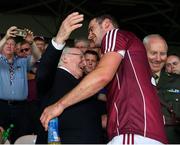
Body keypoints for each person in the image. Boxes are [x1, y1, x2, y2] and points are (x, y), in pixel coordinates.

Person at [39, 12, 167, 144]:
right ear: (64, 58)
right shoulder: (130, 66)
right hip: (142, 131)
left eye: (91, 29)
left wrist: (59, 105)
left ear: (106, 24)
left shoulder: (115, 34)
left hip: (132, 130)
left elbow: (102, 75)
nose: (89, 36)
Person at [36, 13, 103, 143]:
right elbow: (44, 71)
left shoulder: (84, 82)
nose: (84, 62)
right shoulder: (54, 77)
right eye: (81, 57)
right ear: (65, 58)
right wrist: (60, 39)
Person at [0, 26, 41, 143]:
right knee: (1, 138)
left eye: (12, 44)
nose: (9, 45)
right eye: (6, 43)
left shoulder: (22, 61)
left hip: (22, 107)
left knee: (20, 137)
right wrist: (6, 36)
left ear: (16, 48)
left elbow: (38, 57)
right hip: (2, 106)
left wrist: (31, 42)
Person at [143, 34, 180, 143]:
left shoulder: (177, 81)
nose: (158, 59)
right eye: (153, 53)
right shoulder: (130, 80)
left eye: (162, 54)